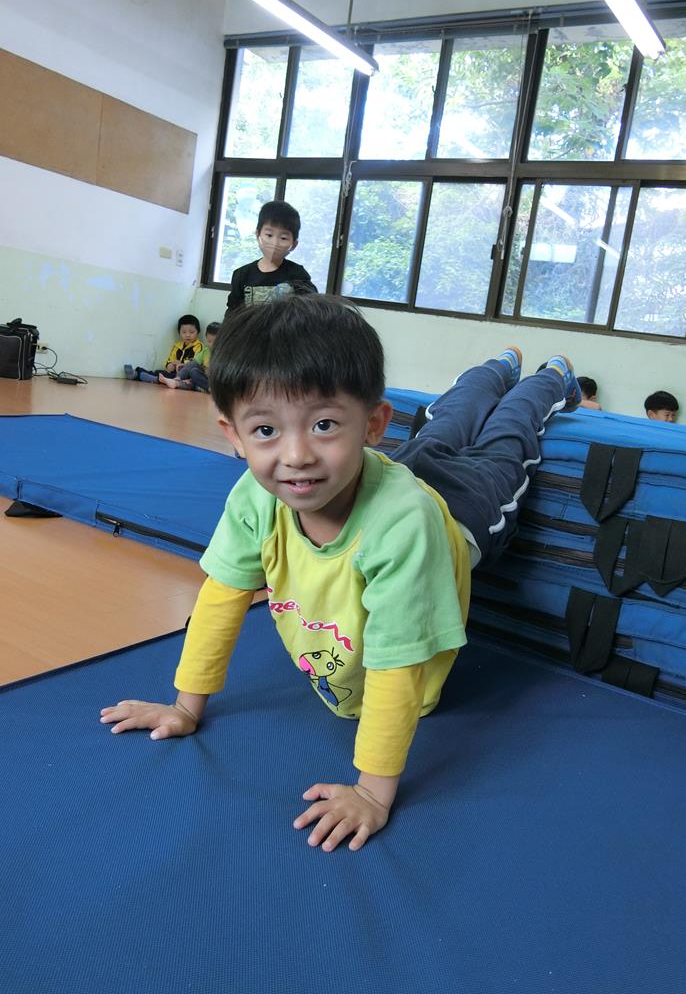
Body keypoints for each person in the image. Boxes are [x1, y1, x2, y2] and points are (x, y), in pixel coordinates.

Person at [100, 295, 581, 853]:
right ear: (233, 435)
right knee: (443, 426)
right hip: (373, 475)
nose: (296, 455)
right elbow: (220, 597)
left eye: (324, 424)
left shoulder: (404, 527)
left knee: (506, 439)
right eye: (265, 430)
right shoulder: (257, 497)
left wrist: (372, 792)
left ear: (373, 424)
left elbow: (399, 661)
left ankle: (547, 378)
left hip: (465, 509)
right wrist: (186, 706)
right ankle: (496, 367)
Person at [225, 200, 317, 318]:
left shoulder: (298, 274)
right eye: (269, 235)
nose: (274, 243)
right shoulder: (242, 275)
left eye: (283, 238)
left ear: (293, 244)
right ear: (258, 235)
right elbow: (232, 313)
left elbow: (311, 310)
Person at [125, 315, 204, 384]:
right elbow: (169, 360)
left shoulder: (198, 346)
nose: (187, 335)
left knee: (175, 378)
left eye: (191, 332)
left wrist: (182, 364)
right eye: (184, 332)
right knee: (159, 372)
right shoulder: (177, 346)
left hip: (185, 376)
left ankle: (153, 379)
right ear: (179, 332)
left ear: (198, 332)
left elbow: (196, 363)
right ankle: (136, 373)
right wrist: (170, 365)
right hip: (172, 373)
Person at [159, 322, 220, 392]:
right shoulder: (206, 351)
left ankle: (209, 388)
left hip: (216, 380)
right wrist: (183, 368)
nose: (211, 345)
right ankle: (176, 381)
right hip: (204, 378)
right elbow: (194, 363)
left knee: (193, 381)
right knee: (193, 370)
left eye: (215, 342)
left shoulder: (223, 354)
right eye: (209, 341)